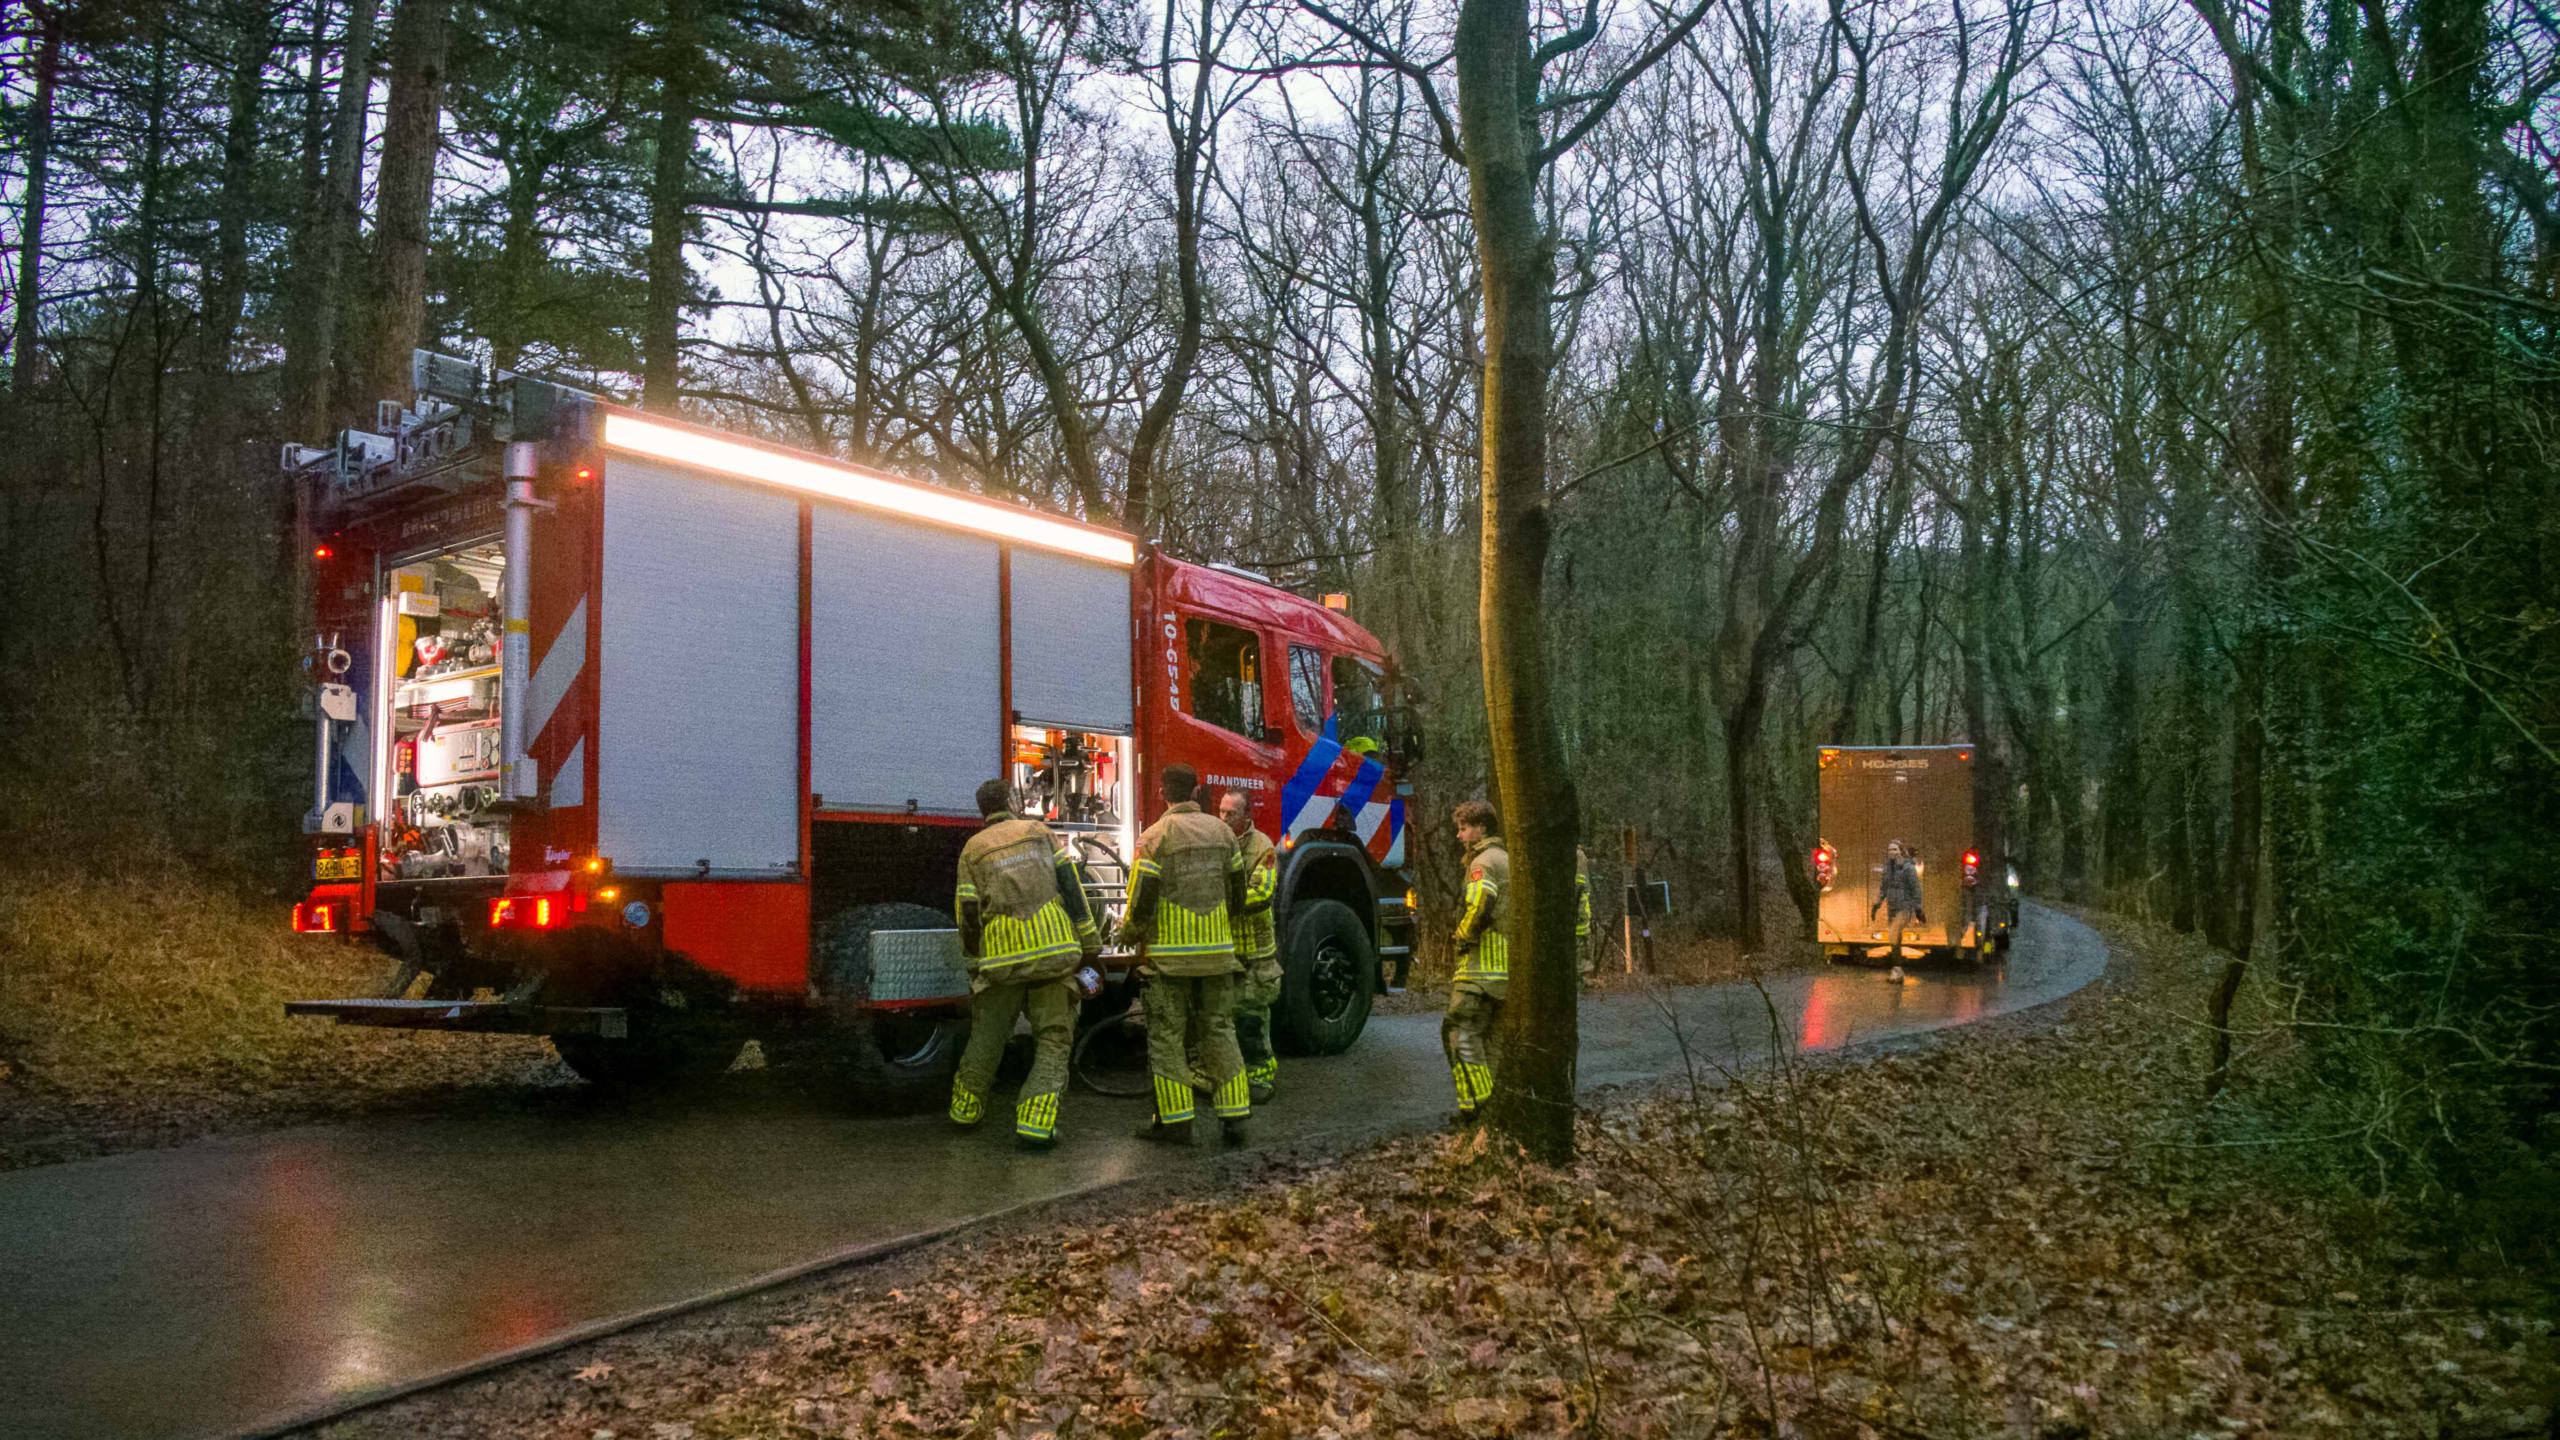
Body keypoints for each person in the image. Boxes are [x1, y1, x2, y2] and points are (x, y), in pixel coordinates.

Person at [949, 778, 1101, 1150]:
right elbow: (1071, 888)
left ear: (982, 810)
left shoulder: (973, 849)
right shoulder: (1039, 832)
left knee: (987, 1037)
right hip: (1053, 953)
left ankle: (965, 1112)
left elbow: (967, 914)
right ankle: (1035, 1123)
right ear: (1013, 801)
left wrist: (974, 964)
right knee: (1053, 1040)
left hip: (1001, 961)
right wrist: (1091, 944)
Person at [1120, 763, 1251, 1146]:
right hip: (1217, 957)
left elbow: (1142, 899)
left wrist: (1129, 933)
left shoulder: (1154, 837)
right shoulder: (1224, 832)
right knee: (1219, 1031)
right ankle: (1235, 1117)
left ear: (1163, 793)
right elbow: (1238, 894)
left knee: (1167, 1038)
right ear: (1196, 793)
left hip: (1169, 962)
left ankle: (1176, 1123)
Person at [1444, 798, 1510, 1125]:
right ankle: (1492, 1107)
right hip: (1504, 972)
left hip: (1480, 969)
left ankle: (1478, 1107)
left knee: (1459, 1033)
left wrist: (1461, 935)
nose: (1459, 835)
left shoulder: (1483, 862)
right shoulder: (1507, 858)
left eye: (1464, 828)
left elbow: (1481, 903)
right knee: (1490, 1042)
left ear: (1481, 828)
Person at [1221, 789, 1282, 1104]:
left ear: (1247, 817)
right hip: (1227, 951)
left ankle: (1260, 1079)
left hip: (1256, 956)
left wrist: (1221, 902)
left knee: (1252, 1018)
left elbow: (1263, 894)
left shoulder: (1263, 847)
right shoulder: (1220, 843)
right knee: (1224, 1018)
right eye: (1221, 811)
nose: (1223, 818)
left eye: (1230, 813)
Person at [1871, 838, 1925, 958]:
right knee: (1895, 931)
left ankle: (1895, 957)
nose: (1892, 852)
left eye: (1895, 849)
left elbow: (1915, 889)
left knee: (1894, 930)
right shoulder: (1888, 869)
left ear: (1900, 851)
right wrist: (1876, 905)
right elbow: (1883, 889)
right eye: (1890, 850)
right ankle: (1896, 955)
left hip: (1905, 907)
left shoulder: (1908, 868)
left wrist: (1918, 909)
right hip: (1892, 906)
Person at [1575, 844, 1594, 982]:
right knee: (1582, 937)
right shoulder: (1579, 854)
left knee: (1581, 937)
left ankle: (1582, 973)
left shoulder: (1577, 855)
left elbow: (1579, 881)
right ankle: (1582, 971)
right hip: (1580, 901)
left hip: (1579, 902)